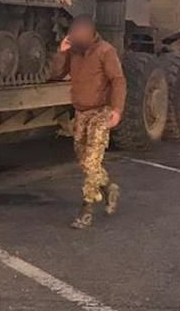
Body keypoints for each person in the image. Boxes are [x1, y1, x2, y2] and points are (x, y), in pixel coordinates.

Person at [49, 15, 126, 229]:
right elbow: (56, 74)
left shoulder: (105, 51)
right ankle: (109, 188)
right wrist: (61, 53)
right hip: (81, 113)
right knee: (84, 161)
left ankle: (86, 210)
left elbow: (118, 80)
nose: (76, 37)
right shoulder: (74, 51)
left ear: (91, 33)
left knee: (92, 160)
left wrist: (117, 110)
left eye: (80, 33)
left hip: (101, 112)